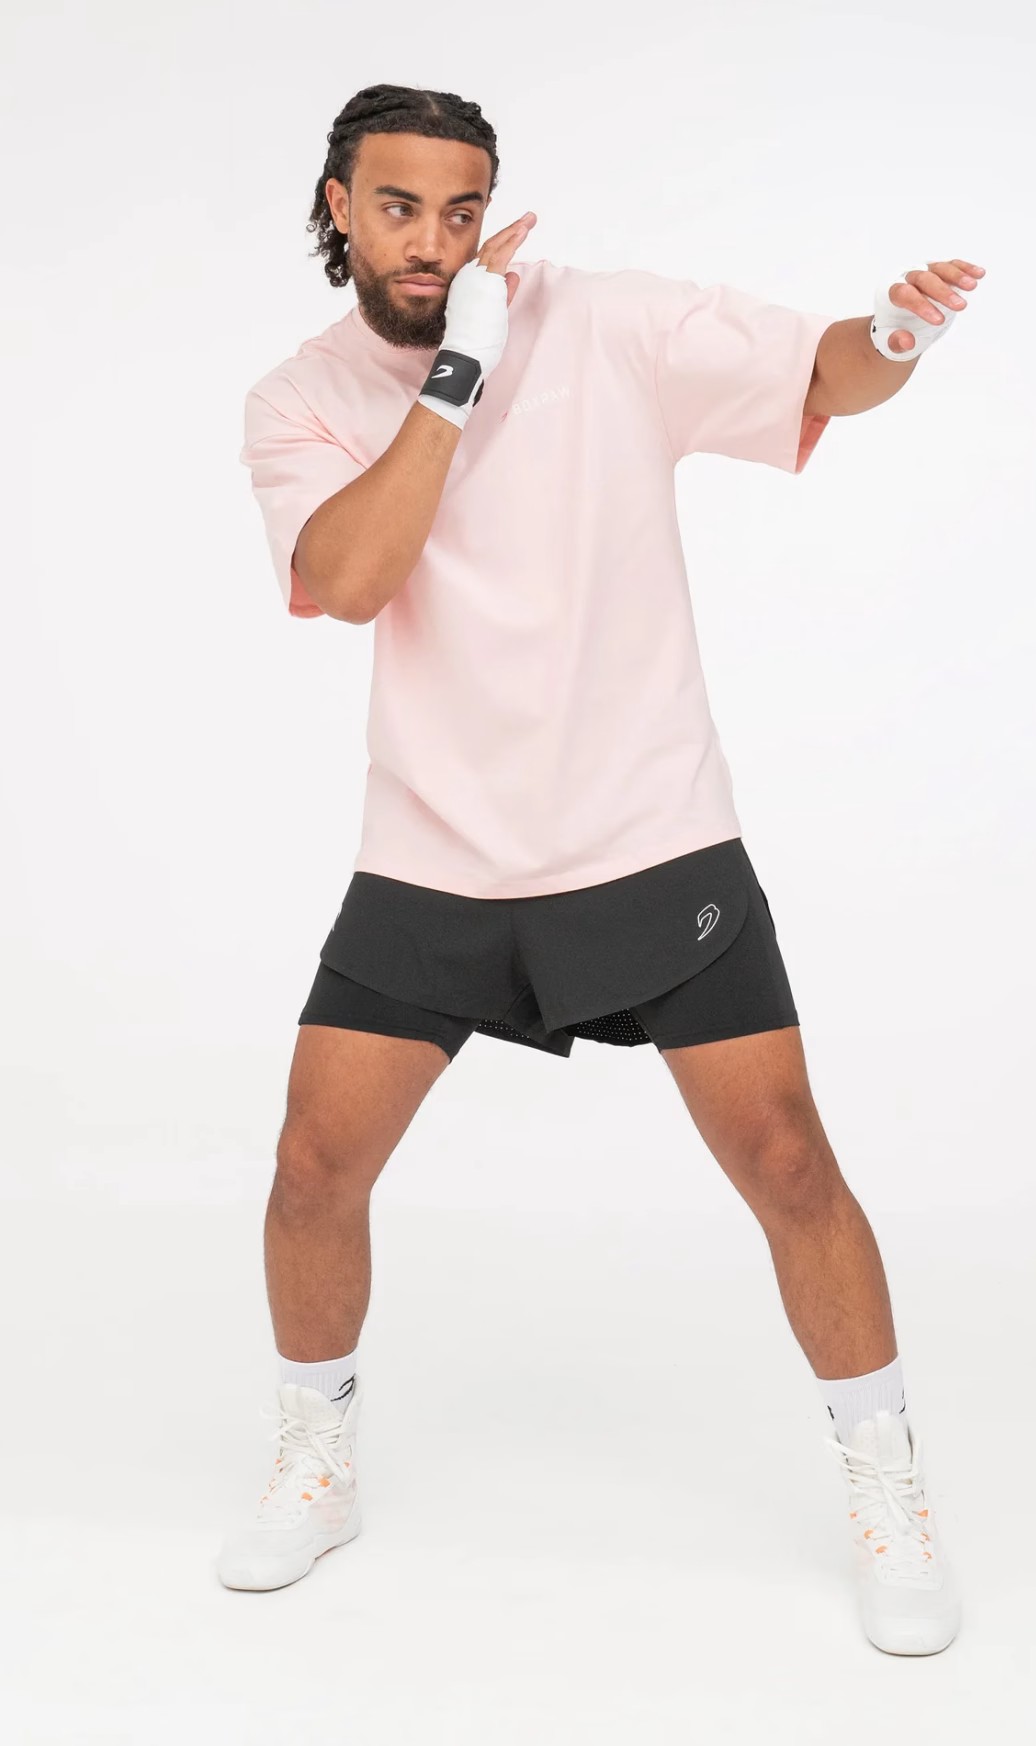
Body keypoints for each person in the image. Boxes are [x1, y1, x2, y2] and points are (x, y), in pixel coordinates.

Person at [222, 81, 983, 1654]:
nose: (433, 241)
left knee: (788, 1162)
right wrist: (458, 369)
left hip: (648, 831)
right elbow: (351, 578)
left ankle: (888, 1480)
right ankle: (317, 1457)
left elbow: (822, 370)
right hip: (434, 851)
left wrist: (896, 335)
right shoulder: (299, 396)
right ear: (339, 207)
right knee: (312, 1168)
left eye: (460, 210)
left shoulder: (609, 324)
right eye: (399, 207)